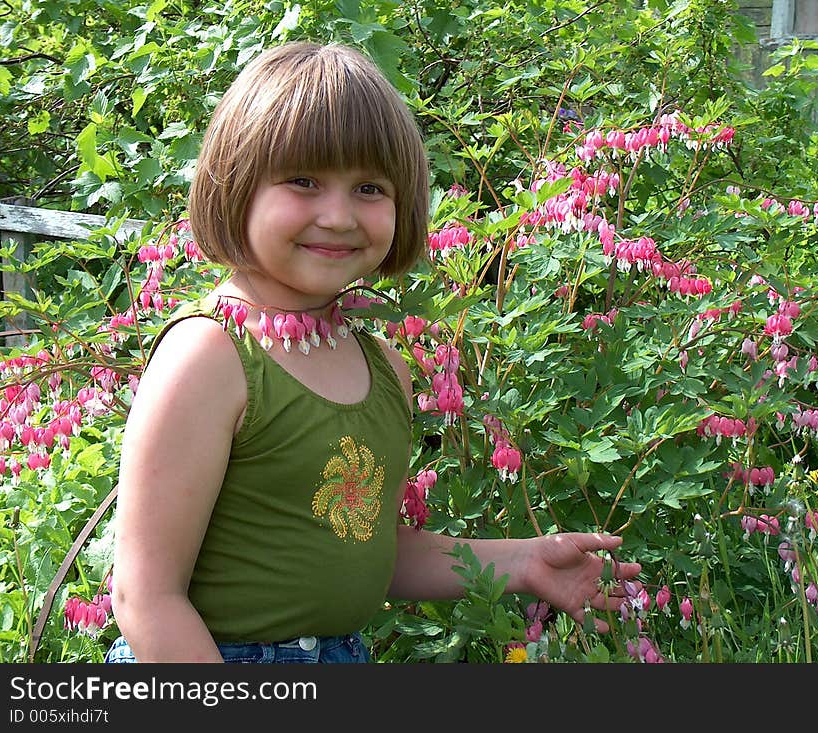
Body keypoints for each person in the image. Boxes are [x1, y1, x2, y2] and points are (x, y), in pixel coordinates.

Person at [106, 40, 641, 664]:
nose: (337, 216)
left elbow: (371, 549)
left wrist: (524, 560)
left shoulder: (381, 364)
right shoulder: (211, 356)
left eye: (368, 188)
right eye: (303, 181)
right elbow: (145, 597)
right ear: (237, 186)